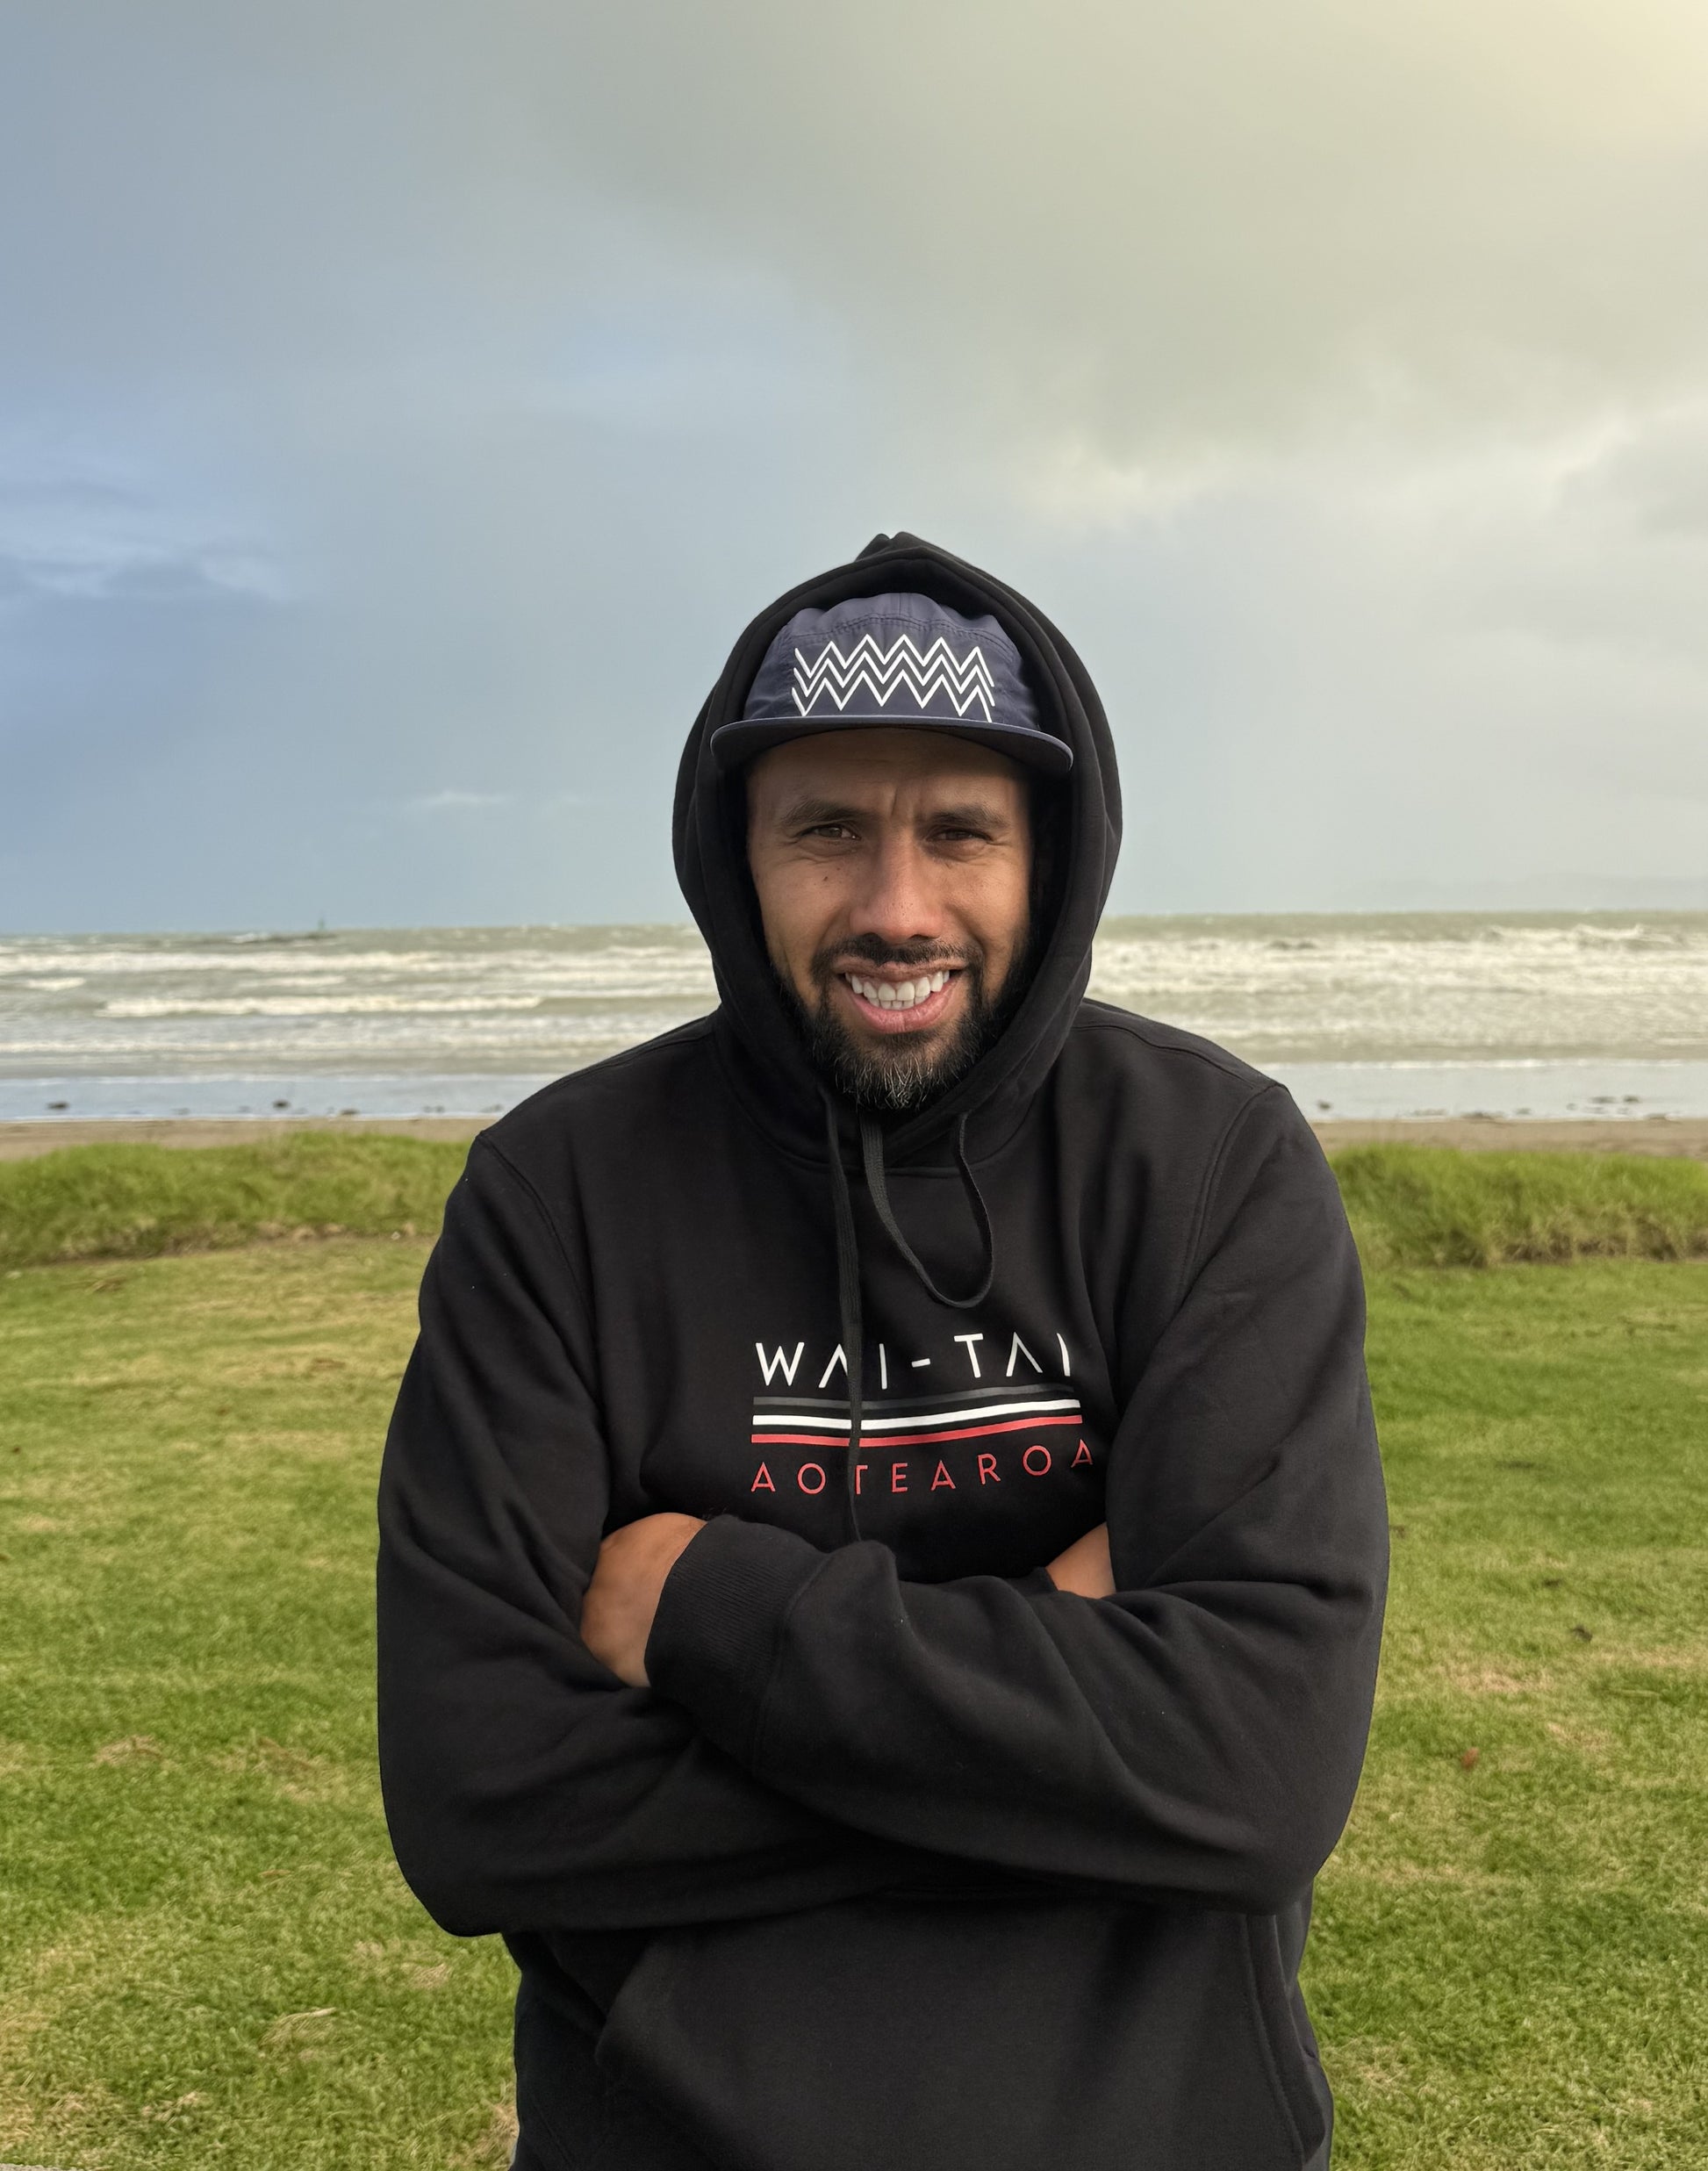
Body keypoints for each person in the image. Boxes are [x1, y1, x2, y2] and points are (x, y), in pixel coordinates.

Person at [377, 532, 1388, 2171]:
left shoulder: (1208, 1166)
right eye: (827, 829)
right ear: (737, 853)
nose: (895, 908)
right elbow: (479, 1797)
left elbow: (1258, 1766)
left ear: (1047, 856)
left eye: (959, 831)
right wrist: (1067, 1686)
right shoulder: (560, 1195)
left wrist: (707, 1612)